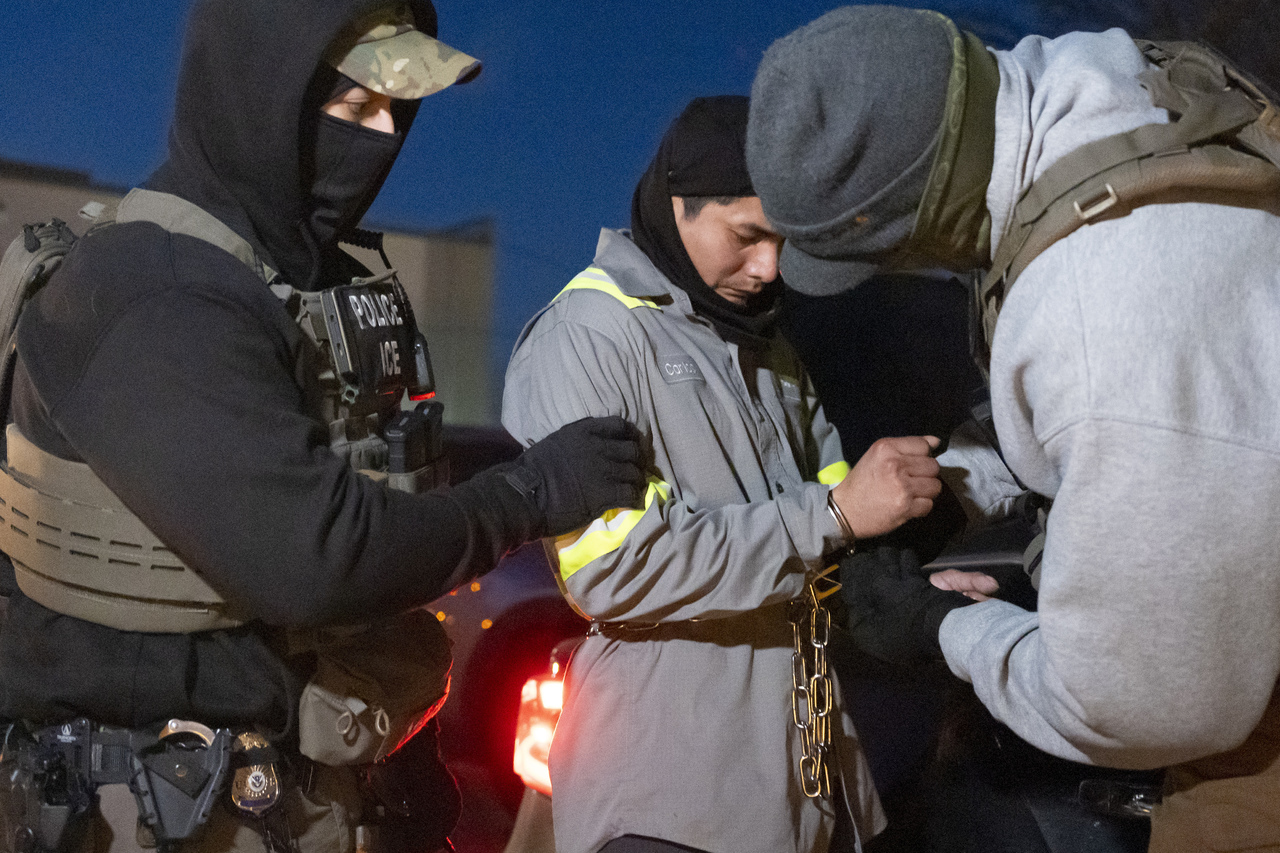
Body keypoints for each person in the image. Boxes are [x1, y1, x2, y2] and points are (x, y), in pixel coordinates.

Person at [0, 2, 646, 852]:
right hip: (170, 808)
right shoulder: (153, 289)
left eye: (397, 110)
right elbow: (318, 557)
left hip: (308, 786)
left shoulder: (295, 274)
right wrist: (531, 491)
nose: (382, 136)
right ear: (259, 94)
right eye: (352, 104)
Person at [745, 7, 1280, 851]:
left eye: (881, 250)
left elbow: (1139, 706)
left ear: (922, 206)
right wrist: (952, 491)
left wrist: (941, 627)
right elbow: (1139, 408)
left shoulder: (1101, 312)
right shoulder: (1106, 95)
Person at [501, 95, 961, 853]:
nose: (769, 267)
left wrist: (902, 588)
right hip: (669, 802)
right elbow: (616, 567)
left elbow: (829, 537)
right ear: (677, 204)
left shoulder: (763, 342)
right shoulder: (588, 335)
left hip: (811, 791)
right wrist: (834, 513)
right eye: (747, 236)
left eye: (783, 242)